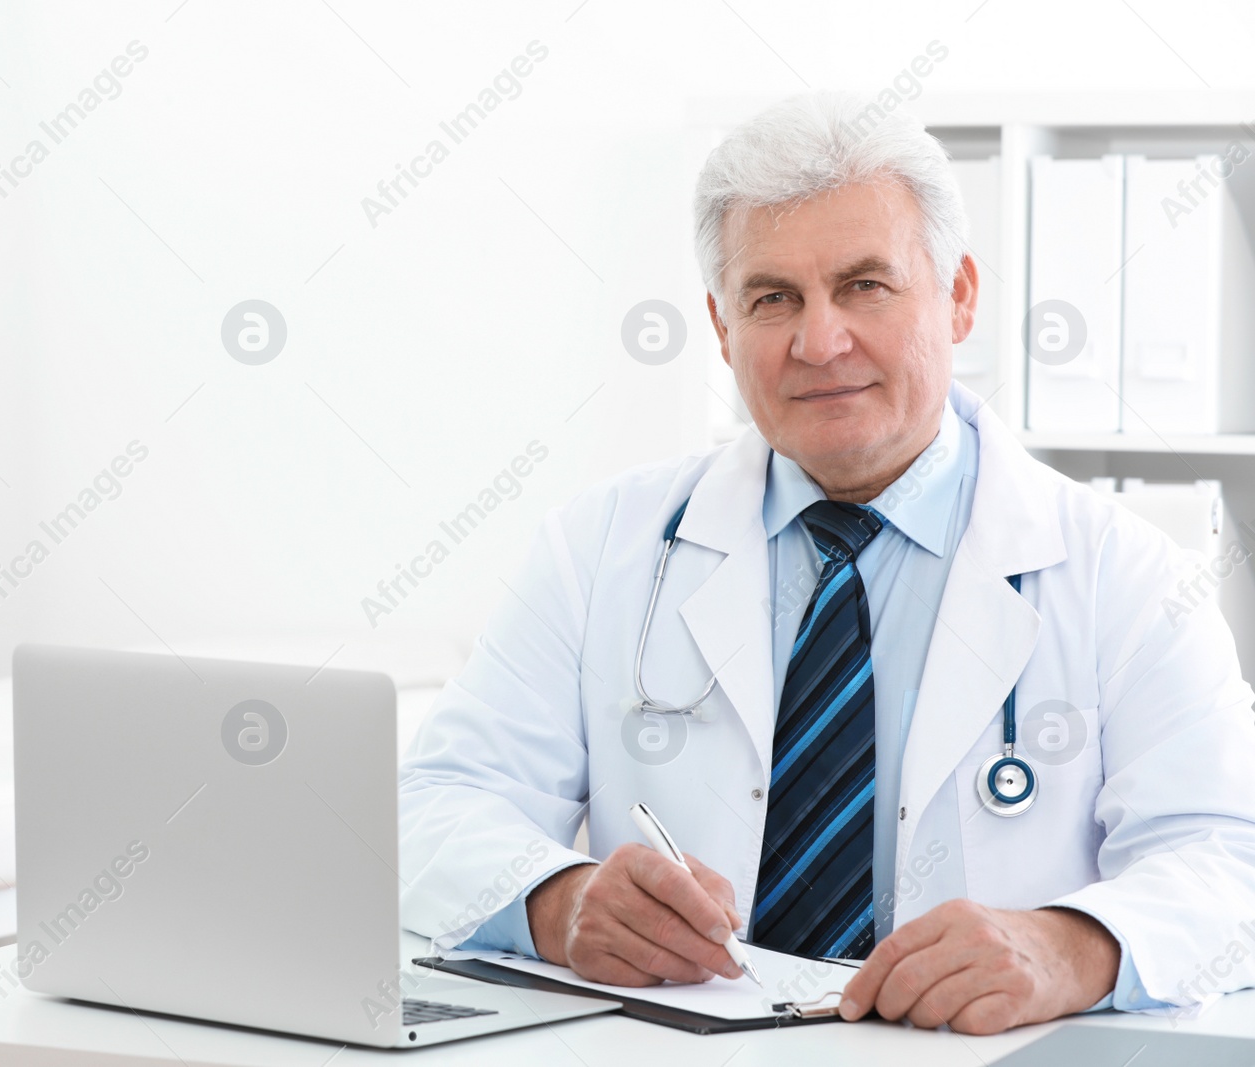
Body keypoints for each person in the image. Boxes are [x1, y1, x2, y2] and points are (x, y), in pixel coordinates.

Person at [398, 90, 1255, 1036]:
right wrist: (557, 902)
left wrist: (1073, 945)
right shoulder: (603, 544)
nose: (820, 341)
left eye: (865, 285)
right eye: (773, 299)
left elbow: (1228, 856)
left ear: (959, 295)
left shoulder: (1126, 575)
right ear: (723, 331)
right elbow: (436, 806)